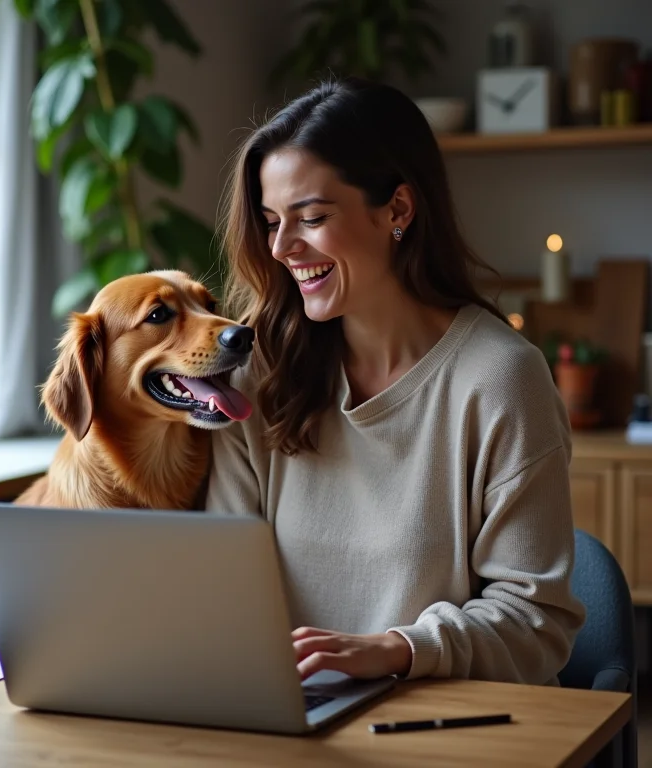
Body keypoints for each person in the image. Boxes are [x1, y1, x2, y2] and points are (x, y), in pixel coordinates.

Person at [206, 77, 585, 685]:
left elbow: (534, 621)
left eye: (312, 218)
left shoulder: (501, 380)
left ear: (398, 210)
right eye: (272, 221)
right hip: (290, 713)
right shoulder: (258, 375)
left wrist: (398, 650)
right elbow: (221, 582)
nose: (281, 247)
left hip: (450, 718)